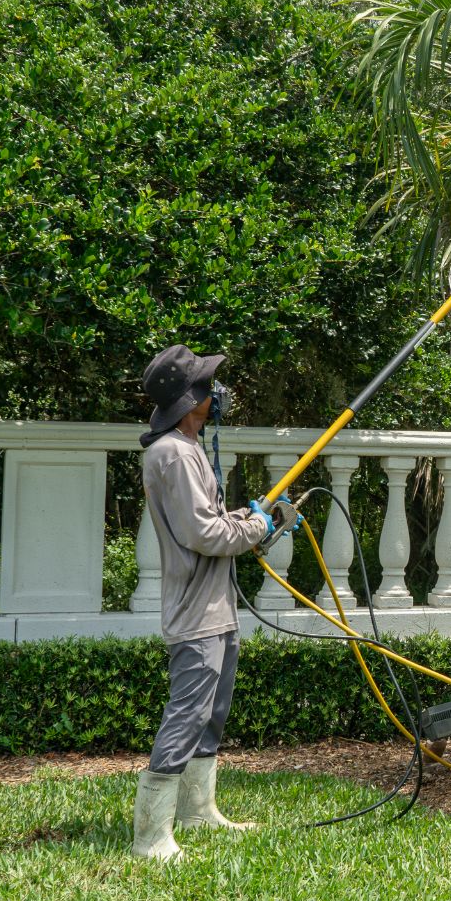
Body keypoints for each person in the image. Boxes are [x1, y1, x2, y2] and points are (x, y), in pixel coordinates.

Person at [129, 343, 296, 861]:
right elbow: (203, 532)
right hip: (195, 611)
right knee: (189, 712)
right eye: (206, 386)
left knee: (212, 712)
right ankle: (150, 835)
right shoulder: (172, 454)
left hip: (216, 606)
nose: (216, 393)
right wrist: (256, 525)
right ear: (188, 399)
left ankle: (198, 809)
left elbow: (214, 524)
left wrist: (256, 524)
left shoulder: (189, 447)